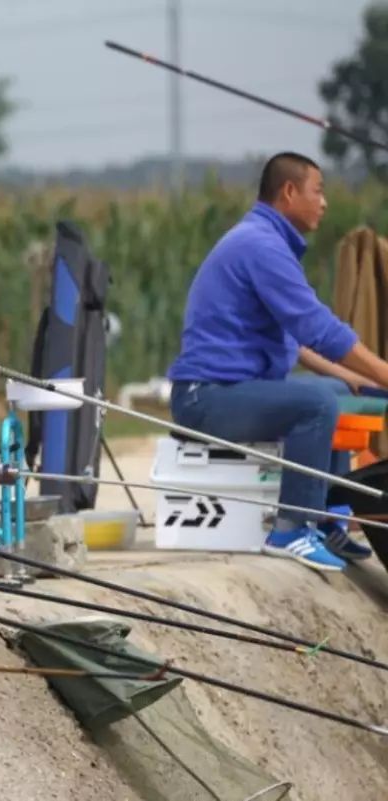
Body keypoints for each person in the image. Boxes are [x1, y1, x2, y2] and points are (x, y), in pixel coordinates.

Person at [168, 151, 388, 571]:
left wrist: (353, 378)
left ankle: (324, 518)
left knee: (336, 393)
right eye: (318, 191)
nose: (325, 202)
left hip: (229, 392)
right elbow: (317, 327)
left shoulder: (263, 241)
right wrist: (383, 372)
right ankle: (291, 528)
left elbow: (297, 341)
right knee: (316, 406)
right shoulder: (261, 246)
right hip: (205, 399)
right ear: (289, 192)